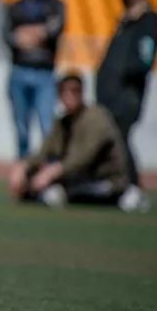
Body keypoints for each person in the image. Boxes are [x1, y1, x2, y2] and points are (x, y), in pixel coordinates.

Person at [7, 71, 130, 210]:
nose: (69, 95)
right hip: (79, 178)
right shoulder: (63, 122)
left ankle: (128, 197)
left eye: (74, 91)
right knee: (32, 186)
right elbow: (44, 152)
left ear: (82, 93)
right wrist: (23, 166)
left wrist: (53, 172)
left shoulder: (96, 118)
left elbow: (83, 157)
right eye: (64, 91)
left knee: (61, 193)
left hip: (105, 179)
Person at [94, 0, 157, 206]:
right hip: (111, 94)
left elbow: (143, 60)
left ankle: (133, 187)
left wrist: (122, 78)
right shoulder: (125, 22)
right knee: (113, 139)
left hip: (127, 95)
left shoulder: (148, 22)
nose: (124, 2)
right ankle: (117, 184)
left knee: (121, 138)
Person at [2, 0, 65, 159]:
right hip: (19, 71)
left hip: (44, 74)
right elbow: (9, 36)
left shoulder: (56, 4)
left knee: (47, 128)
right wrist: (38, 33)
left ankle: (47, 176)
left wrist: (30, 34)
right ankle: (24, 175)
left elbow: (53, 30)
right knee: (22, 131)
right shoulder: (15, 5)